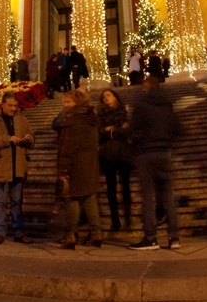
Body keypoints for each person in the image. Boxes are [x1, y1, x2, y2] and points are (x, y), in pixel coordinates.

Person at [126, 74, 184, 250]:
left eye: (143, 86)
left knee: (148, 197)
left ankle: (151, 237)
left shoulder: (140, 104)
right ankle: (174, 237)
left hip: (146, 153)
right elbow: (178, 129)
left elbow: (135, 130)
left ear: (147, 87)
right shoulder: (167, 105)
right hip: (164, 153)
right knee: (168, 197)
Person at [0, 90, 34, 245]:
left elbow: (31, 136)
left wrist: (29, 139)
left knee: (17, 202)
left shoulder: (21, 119)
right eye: (10, 105)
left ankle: (19, 232)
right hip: (0, 165)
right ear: (2, 105)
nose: (13, 108)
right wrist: (7, 140)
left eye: (15, 105)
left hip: (17, 166)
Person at [53, 88, 102, 249]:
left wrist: (63, 170)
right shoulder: (91, 119)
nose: (64, 105)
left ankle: (70, 235)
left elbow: (68, 148)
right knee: (89, 198)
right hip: (90, 165)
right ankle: (96, 233)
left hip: (75, 166)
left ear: (77, 103)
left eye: (68, 101)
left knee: (71, 198)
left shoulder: (73, 121)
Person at [96, 88, 133, 232]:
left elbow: (128, 130)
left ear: (115, 98)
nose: (106, 98)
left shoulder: (124, 112)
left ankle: (128, 216)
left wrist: (111, 130)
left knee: (125, 187)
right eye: (104, 96)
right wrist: (116, 130)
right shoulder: (100, 115)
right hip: (107, 154)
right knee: (111, 189)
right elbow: (99, 132)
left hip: (123, 154)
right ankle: (115, 220)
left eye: (108, 95)